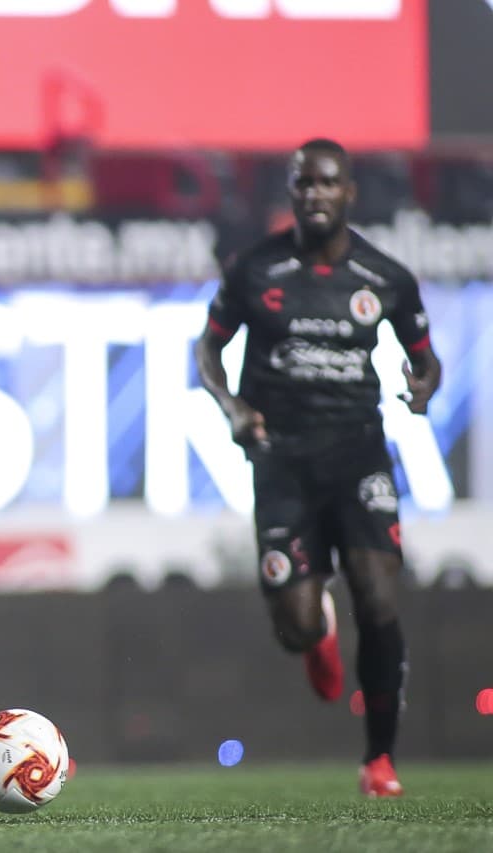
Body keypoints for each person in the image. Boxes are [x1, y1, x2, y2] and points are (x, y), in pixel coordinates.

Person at [195, 138, 441, 797]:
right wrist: (233, 407)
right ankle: (316, 629)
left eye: (327, 183)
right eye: (303, 184)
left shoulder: (385, 277)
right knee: (295, 625)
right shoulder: (255, 269)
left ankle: (379, 760)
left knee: (380, 598)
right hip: (280, 457)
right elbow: (208, 350)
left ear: (349, 192)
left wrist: (423, 385)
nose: (315, 194)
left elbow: (425, 357)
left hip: (358, 450)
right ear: (291, 192)